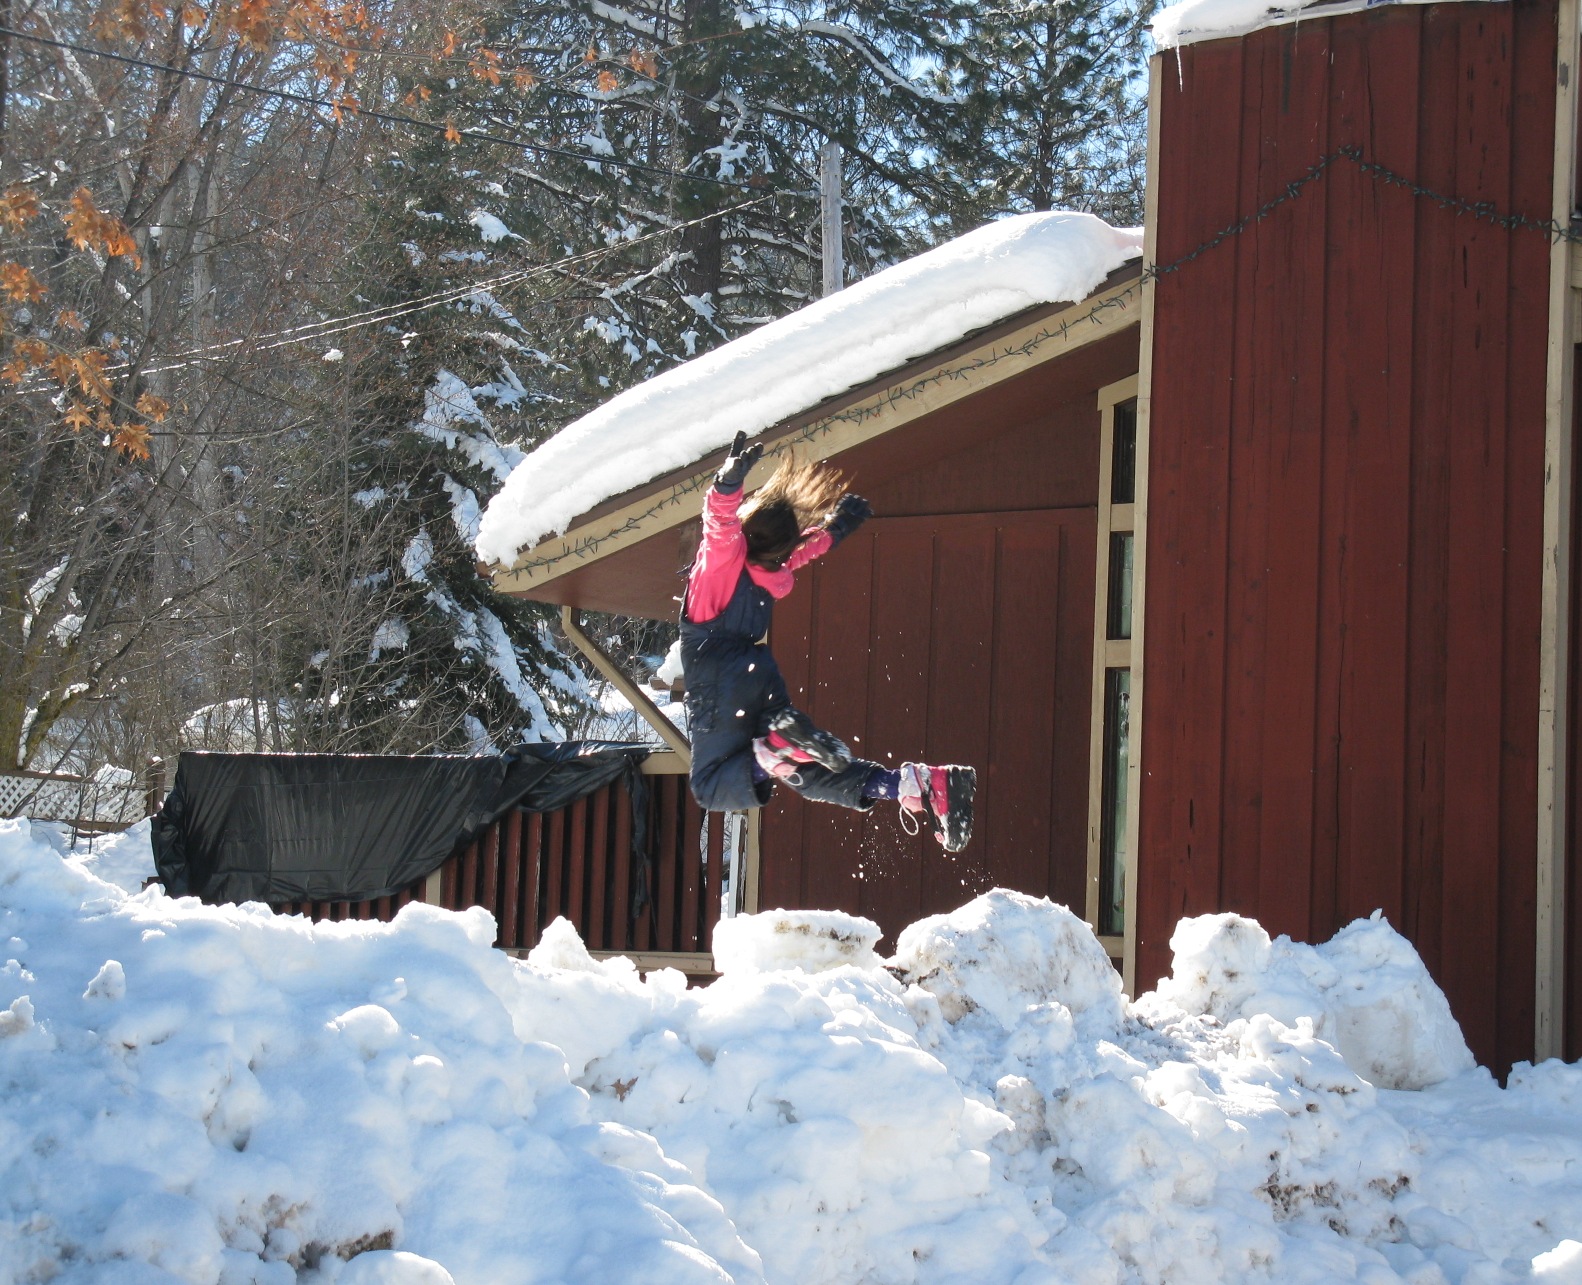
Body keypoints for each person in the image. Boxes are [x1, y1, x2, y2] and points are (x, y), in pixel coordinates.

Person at [679, 430, 976, 852]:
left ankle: (779, 747)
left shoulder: (723, 560)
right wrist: (834, 530)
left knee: (711, 787)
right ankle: (915, 784)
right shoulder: (769, 568)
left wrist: (727, 486)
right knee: (807, 771)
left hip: (717, 672)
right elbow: (799, 552)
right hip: (757, 672)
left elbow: (719, 525)